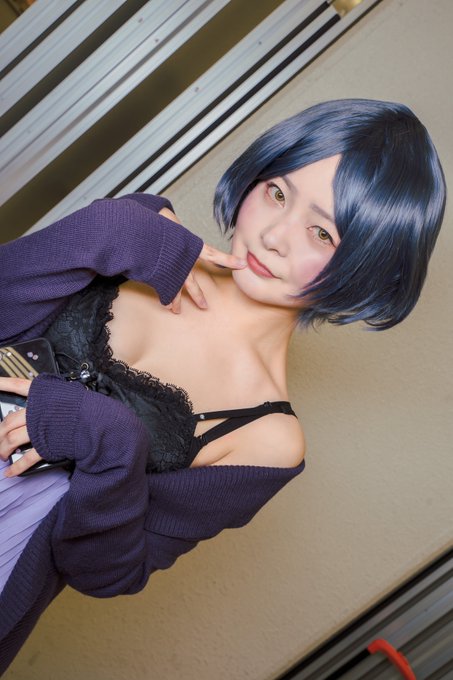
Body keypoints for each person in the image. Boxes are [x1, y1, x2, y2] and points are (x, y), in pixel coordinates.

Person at [0, 98, 446, 671]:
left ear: (366, 267)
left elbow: (102, 573)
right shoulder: (142, 234)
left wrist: (111, 443)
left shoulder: (266, 437)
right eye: (277, 193)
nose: (275, 236)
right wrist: (108, 230)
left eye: (322, 233)